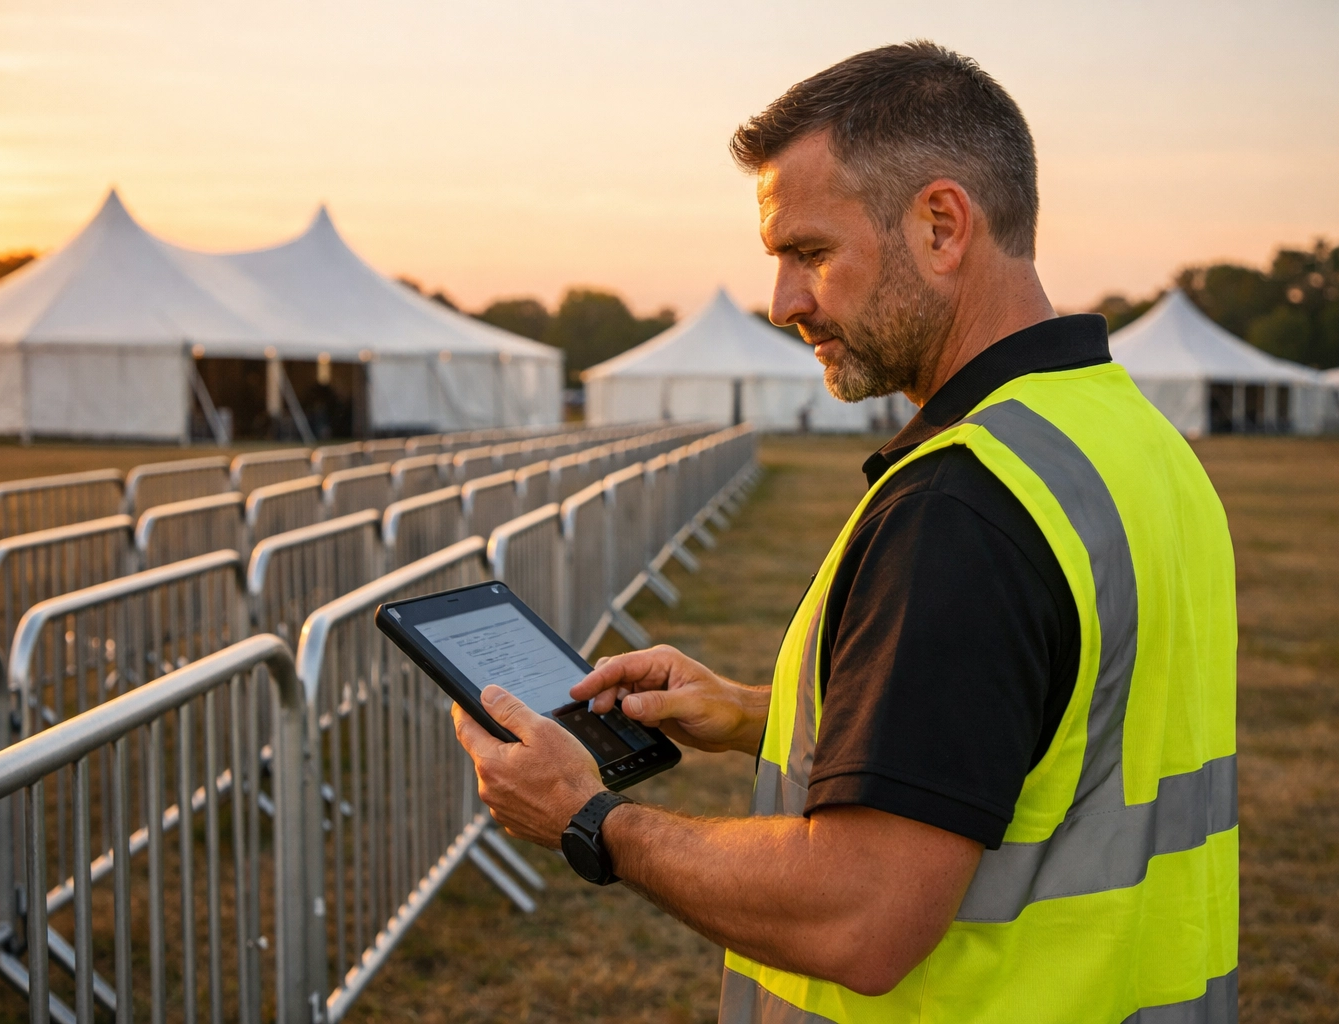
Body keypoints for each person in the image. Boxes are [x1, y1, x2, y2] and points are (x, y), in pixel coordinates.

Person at [452, 41, 1238, 1022]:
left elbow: (861, 915)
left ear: (943, 226)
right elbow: (1040, 732)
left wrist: (590, 818)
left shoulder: (962, 507)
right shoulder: (1129, 441)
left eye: (811, 254)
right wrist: (752, 716)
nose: (784, 303)